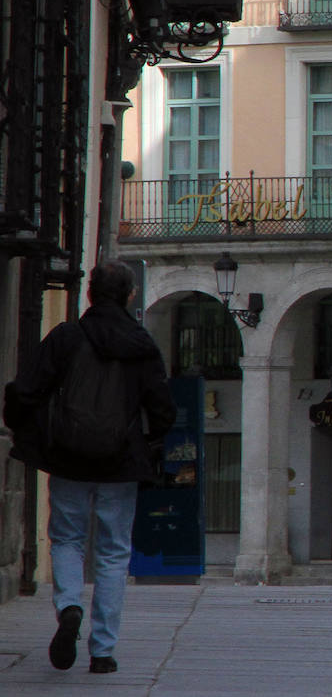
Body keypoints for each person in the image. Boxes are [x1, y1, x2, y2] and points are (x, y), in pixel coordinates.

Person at [2, 260, 175, 674]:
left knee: (66, 540)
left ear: (91, 293)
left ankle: (69, 608)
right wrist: (149, 442)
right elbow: (163, 410)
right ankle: (102, 651)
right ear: (130, 295)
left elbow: (27, 390)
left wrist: (29, 431)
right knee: (114, 552)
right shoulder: (141, 344)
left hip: (69, 456)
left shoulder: (67, 337)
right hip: (121, 461)